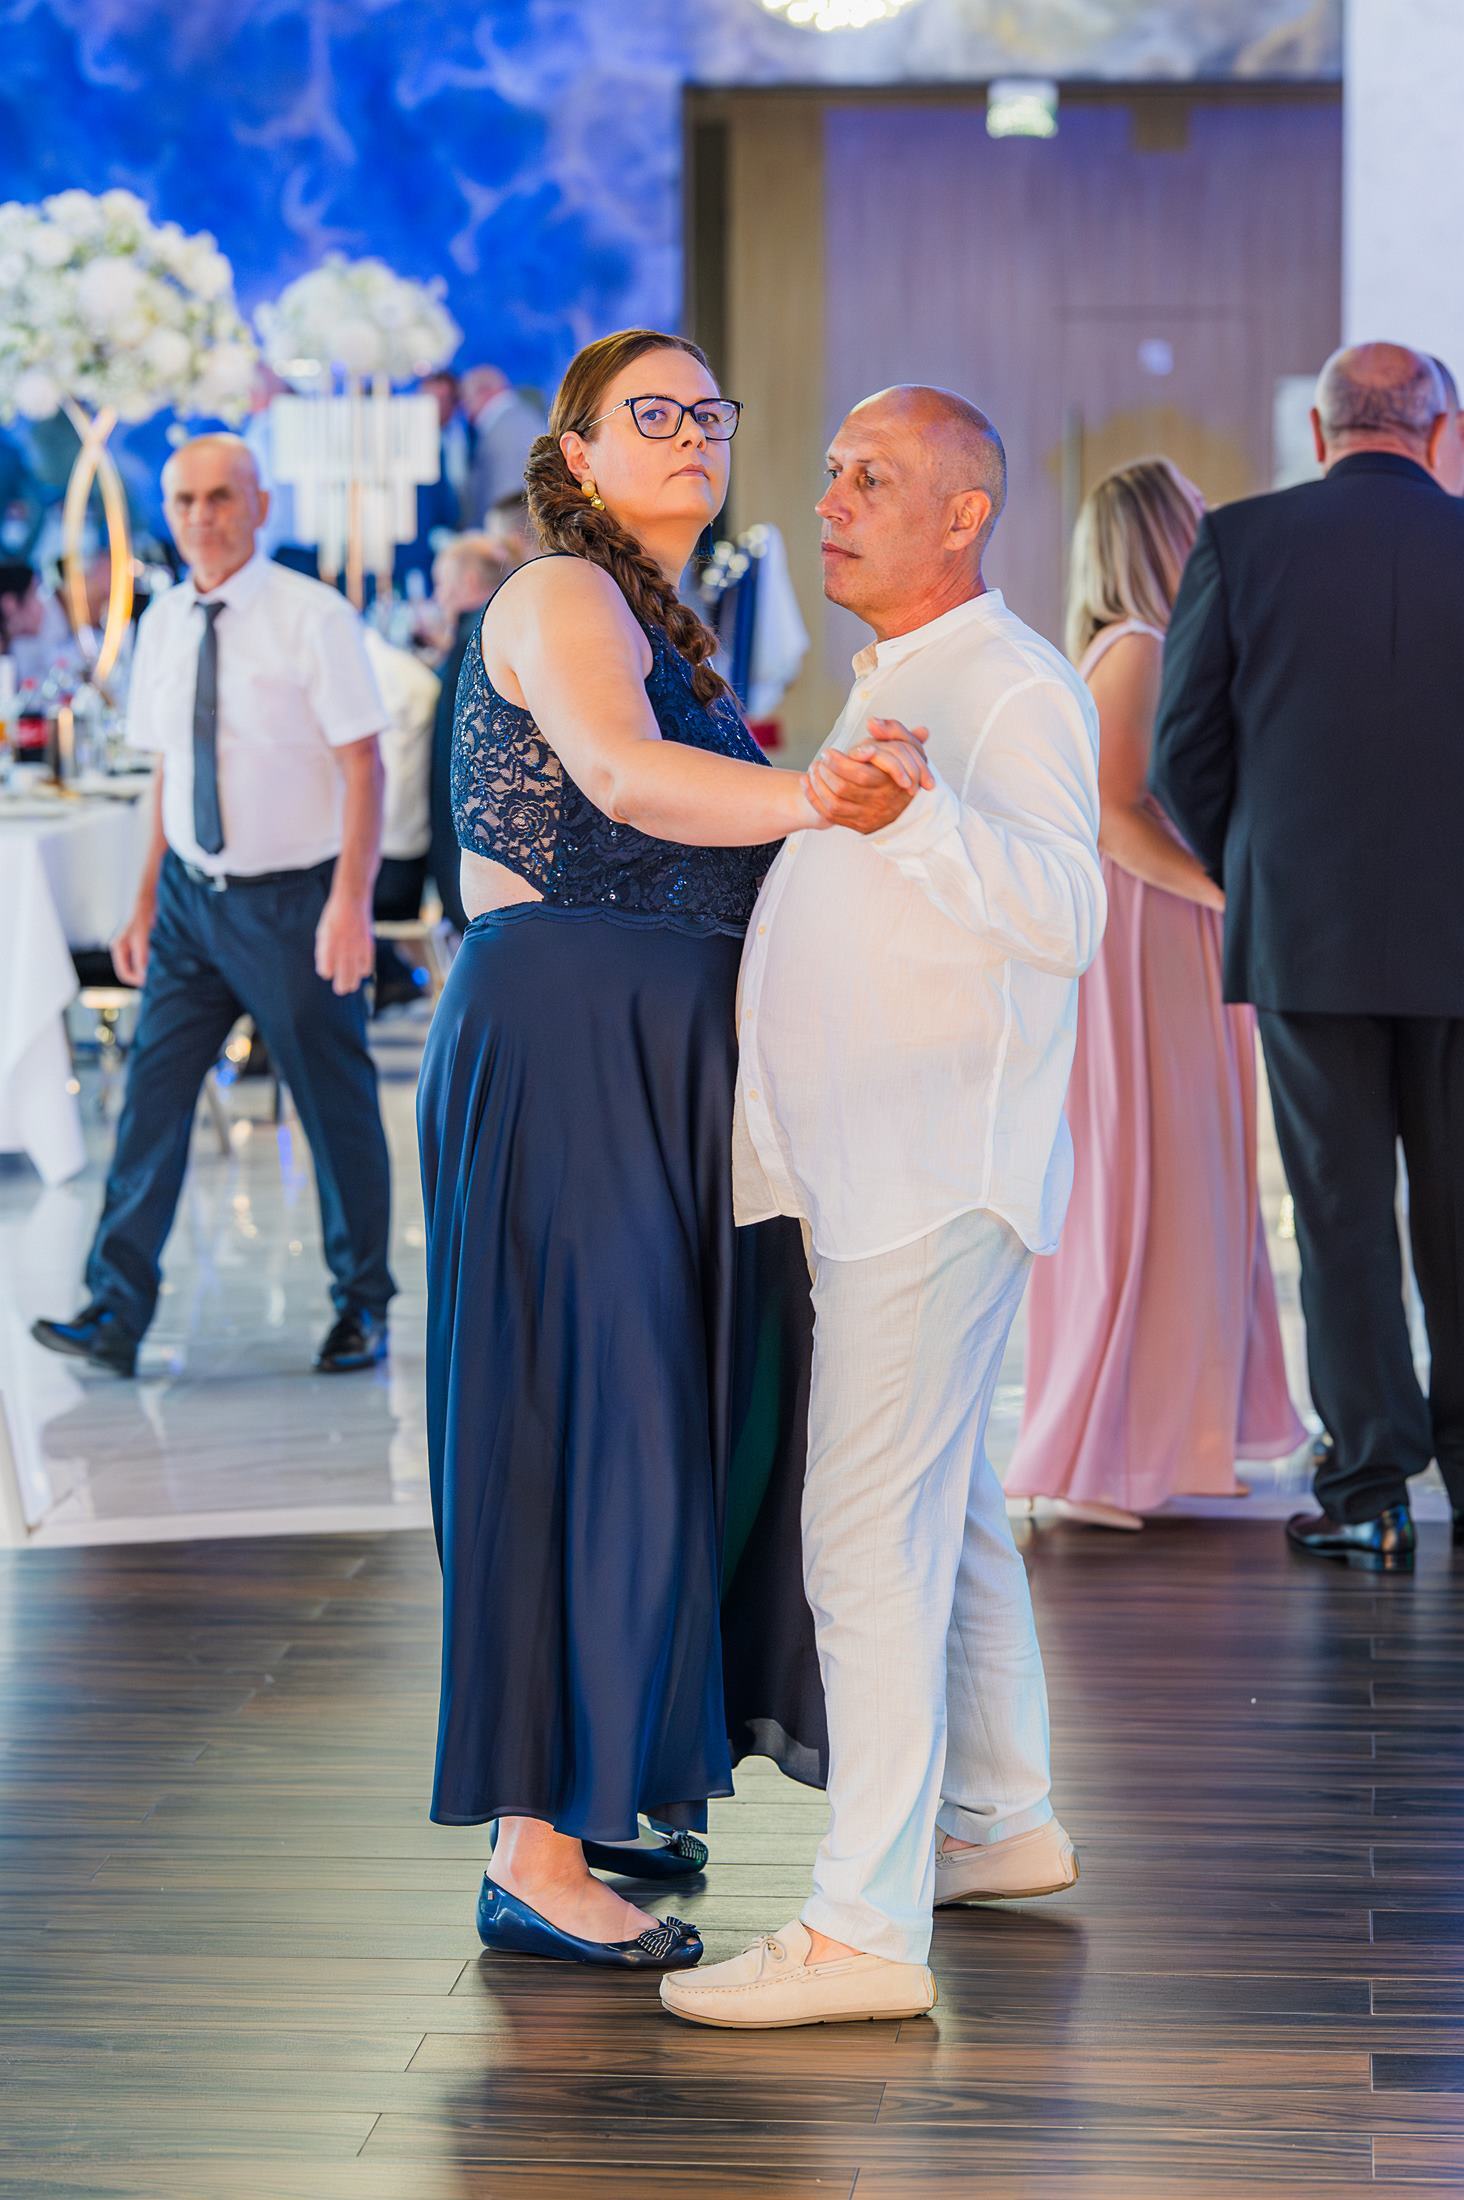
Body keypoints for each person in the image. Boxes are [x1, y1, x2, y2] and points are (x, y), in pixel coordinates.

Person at [417, 329, 928, 1971]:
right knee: (586, 1419)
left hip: (653, 1055)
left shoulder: (660, 616)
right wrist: (817, 796)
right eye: (654, 414)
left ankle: (607, 1784)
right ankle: (533, 1850)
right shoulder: (563, 592)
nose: (695, 433)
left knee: (676, 1415)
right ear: (574, 454)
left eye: (710, 412)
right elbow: (622, 781)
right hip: (575, 1045)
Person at [662, 385, 1104, 2032]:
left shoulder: (1009, 684)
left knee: (862, 1534)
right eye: (831, 470)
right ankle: (995, 1816)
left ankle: (858, 1928)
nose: (829, 499)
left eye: (872, 478)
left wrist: (915, 816)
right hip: (880, 1164)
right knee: (945, 1507)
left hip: (927, 1170)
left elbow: (1065, 911)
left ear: (963, 514)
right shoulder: (905, 671)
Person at [1152, 343, 1464, 1572]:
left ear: (1325, 434)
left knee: (1339, 1219)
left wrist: (1260, 869)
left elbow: (1182, 751)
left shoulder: (1242, 541)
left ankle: (1371, 1491)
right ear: (1440, 432)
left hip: (1305, 935)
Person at [30, 435, 396, 1379]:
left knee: (334, 1110)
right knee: (149, 1105)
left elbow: (365, 766)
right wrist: (143, 900)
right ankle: (115, 1312)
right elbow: (171, 772)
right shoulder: (161, 621)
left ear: (260, 505)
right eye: (185, 500)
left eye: (221, 497)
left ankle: (362, 1305)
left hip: (295, 904)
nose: (202, 516)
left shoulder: (313, 617)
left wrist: (350, 903)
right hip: (191, 905)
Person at [1005, 460, 1303, 1528]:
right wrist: (1227, 893)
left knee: (1179, 1180)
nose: (1213, 524)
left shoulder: (1137, 645)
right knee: (1149, 1176)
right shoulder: (1135, 648)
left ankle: (1161, 1440)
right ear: (1166, 533)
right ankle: (1109, 1452)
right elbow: (1115, 813)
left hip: (1159, 929)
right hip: (1147, 933)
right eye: (1197, 512)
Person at [423, 533, 508, 937]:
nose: (438, 597)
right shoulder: (490, 629)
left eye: (442, 584)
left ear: (469, 582)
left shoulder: (476, 638)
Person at [361, 626, 441, 1012]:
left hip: (391, 859)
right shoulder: (405, 674)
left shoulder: (380, 676)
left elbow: (385, 798)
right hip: (409, 849)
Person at [462, 366, 546, 524]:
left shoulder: (506, 427)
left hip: (513, 528)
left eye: (467, 399)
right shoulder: (519, 416)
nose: (466, 409)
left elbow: (506, 491)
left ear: (484, 391)